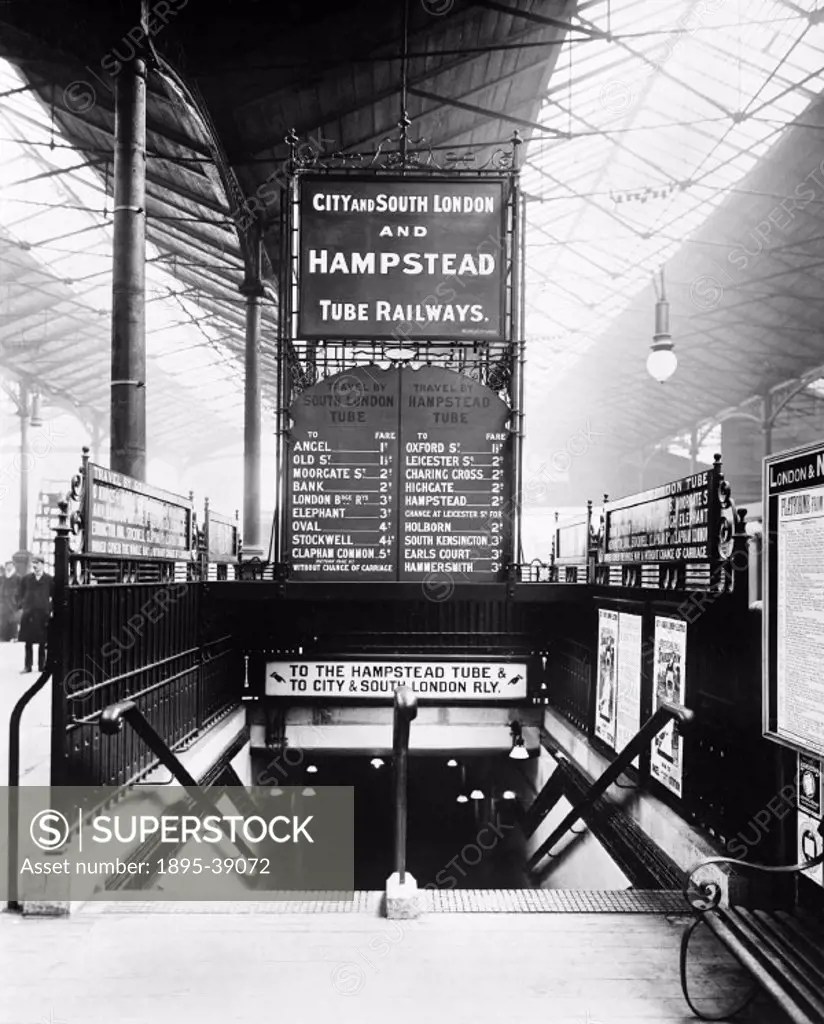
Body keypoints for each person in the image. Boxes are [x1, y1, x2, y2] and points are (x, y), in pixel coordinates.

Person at [18, 556, 52, 673]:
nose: (35, 566)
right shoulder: (26, 579)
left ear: (42, 564)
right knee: (28, 641)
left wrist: (49, 609)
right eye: (33, 563)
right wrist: (24, 606)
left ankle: (42, 666)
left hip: (43, 614)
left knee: (43, 642)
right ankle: (28, 666)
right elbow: (21, 594)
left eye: (37, 563)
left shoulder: (49, 579)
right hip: (29, 614)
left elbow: (53, 596)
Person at [0, 560, 21, 640]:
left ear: (13, 566)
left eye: (10, 565)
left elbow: (20, 591)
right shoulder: (2, 577)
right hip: (3, 603)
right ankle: (3, 637)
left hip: (13, 603)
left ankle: (13, 636)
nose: (8, 567)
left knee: (13, 620)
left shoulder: (17, 577)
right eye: (7, 565)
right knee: (3, 620)